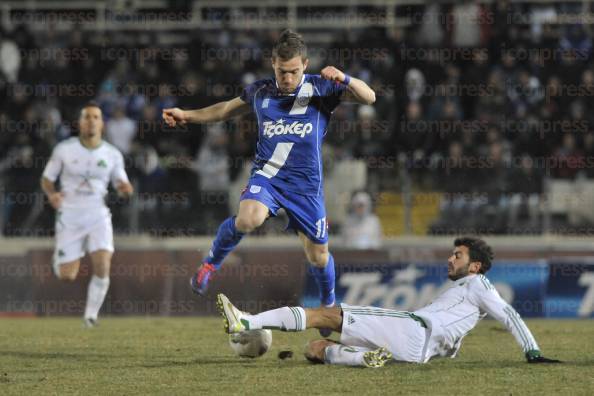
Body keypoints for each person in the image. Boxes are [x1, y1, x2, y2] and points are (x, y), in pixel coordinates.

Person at [162, 30, 375, 318]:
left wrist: (345, 77)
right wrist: (186, 115)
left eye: (294, 71)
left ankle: (328, 307)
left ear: (306, 65)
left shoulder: (323, 88)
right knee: (249, 218)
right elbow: (224, 110)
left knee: (319, 256)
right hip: (268, 177)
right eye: (282, 71)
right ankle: (211, 263)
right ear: (273, 63)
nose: (288, 78)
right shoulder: (260, 91)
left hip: (305, 188)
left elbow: (369, 97)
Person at [216, 237, 561, 368]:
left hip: (411, 327)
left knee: (328, 314)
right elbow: (450, 344)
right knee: (315, 347)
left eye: (457, 256)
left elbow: (509, 313)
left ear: (474, 266)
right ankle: (361, 358)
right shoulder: (463, 303)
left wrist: (532, 351)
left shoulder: (479, 283)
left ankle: (246, 323)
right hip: (415, 354)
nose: (449, 259)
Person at [41, 102, 134, 327]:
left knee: (103, 264)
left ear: (102, 123)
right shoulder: (64, 149)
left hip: (98, 214)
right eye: (87, 117)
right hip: (69, 214)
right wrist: (52, 194)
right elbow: (47, 179)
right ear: (80, 123)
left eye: (96, 117)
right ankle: (62, 257)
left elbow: (124, 185)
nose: (91, 120)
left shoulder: (112, 154)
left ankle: (90, 316)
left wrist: (125, 190)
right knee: (67, 275)